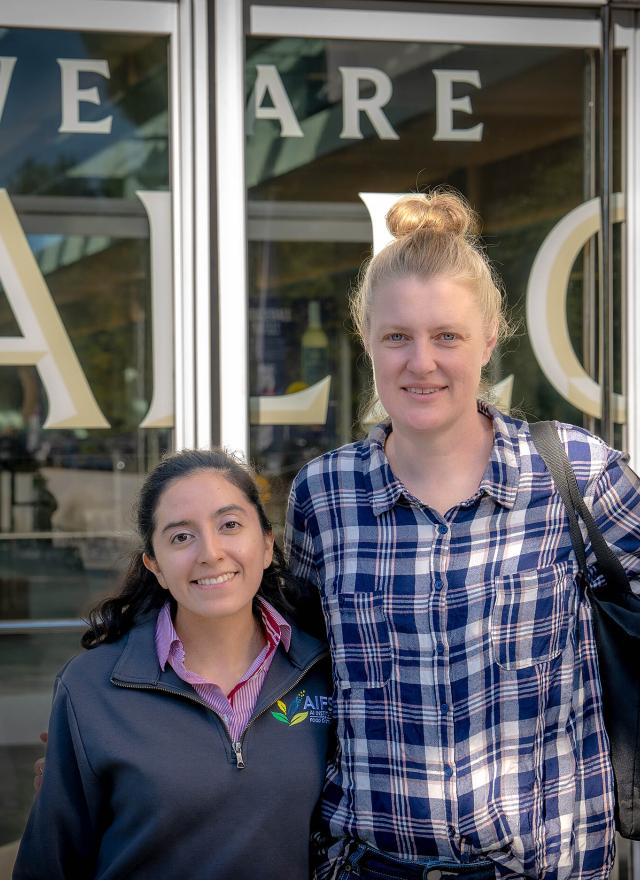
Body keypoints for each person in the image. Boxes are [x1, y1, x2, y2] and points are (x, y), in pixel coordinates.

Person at [285, 190, 640, 880]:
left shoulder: (577, 474)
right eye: (398, 337)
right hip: (370, 869)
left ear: (488, 339)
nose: (422, 362)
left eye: (447, 336)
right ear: (367, 341)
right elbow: (292, 671)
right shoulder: (323, 497)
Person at [14, 449, 333, 880]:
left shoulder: (326, 670)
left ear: (265, 544)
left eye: (229, 525)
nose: (210, 553)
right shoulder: (90, 687)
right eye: (181, 537)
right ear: (156, 566)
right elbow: (49, 863)